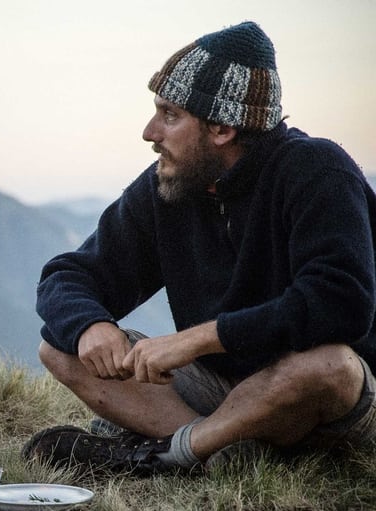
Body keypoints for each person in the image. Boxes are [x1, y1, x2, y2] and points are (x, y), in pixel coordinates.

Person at [24, 21, 376, 476]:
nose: (150, 132)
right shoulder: (167, 189)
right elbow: (67, 276)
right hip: (222, 390)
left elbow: (341, 304)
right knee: (60, 345)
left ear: (223, 128)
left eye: (170, 115)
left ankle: (167, 454)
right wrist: (90, 325)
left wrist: (195, 340)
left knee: (330, 365)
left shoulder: (318, 171)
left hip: (325, 397)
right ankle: (214, 455)